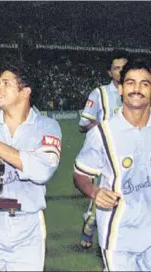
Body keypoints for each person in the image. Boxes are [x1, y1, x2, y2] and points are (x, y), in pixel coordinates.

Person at [0, 64, 62, 270]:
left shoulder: (47, 126)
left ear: (25, 91)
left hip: (27, 226)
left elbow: (42, 172)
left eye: (6, 83)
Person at [73, 59, 151, 271]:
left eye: (145, 84)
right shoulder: (102, 133)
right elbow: (80, 175)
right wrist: (94, 191)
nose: (137, 89)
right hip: (119, 236)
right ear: (120, 88)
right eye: (131, 83)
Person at [78, 49, 129, 249]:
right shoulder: (99, 94)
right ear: (110, 73)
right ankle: (90, 225)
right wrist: (106, 133)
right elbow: (83, 124)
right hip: (105, 156)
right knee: (104, 196)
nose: (120, 72)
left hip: (132, 155)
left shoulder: (139, 93)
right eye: (116, 68)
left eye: (124, 68)